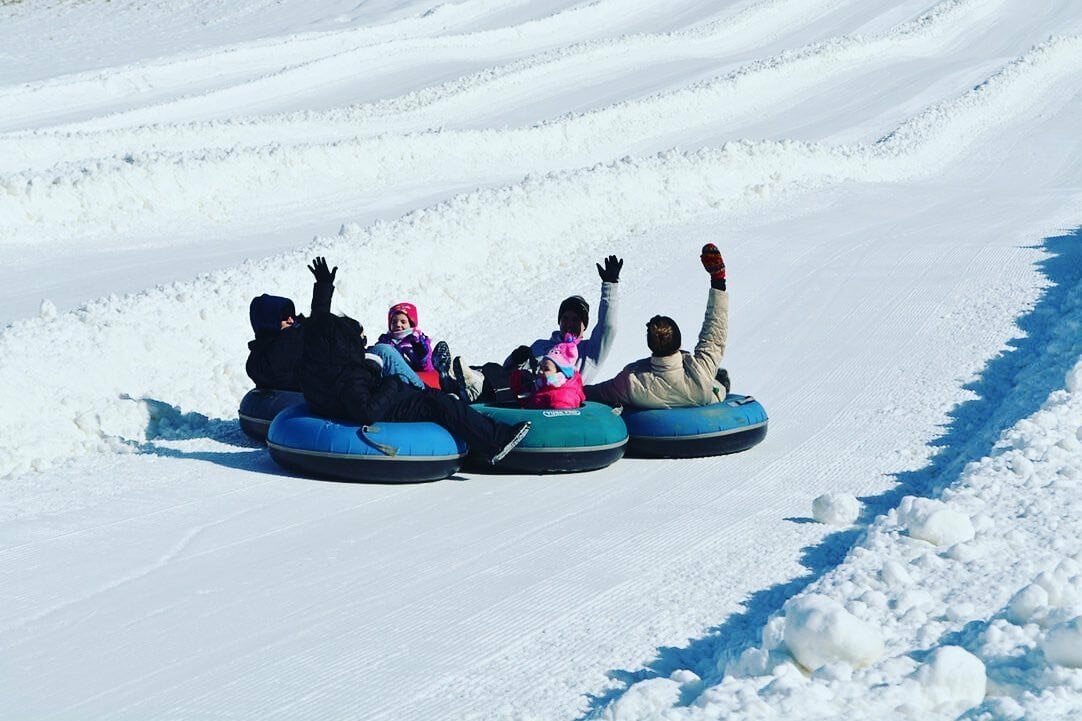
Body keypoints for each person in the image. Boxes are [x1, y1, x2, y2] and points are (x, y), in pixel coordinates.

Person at [299, 311, 531, 465]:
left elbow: (317, 327)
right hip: (391, 410)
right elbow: (366, 411)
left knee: (440, 400)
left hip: (379, 400)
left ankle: (476, 421)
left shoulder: (319, 368)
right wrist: (392, 382)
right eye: (359, 339)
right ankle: (495, 439)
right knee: (440, 403)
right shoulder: (350, 373)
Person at [451, 254, 623, 402]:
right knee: (493, 368)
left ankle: (472, 385)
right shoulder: (541, 346)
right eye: (565, 318)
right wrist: (515, 359)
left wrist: (610, 286)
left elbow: (608, 328)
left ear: (584, 325)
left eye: (576, 319)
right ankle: (454, 381)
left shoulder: (588, 353)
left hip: (551, 400)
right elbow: (509, 371)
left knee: (500, 377)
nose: (569, 324)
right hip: (523, 394)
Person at [584, 244, 729, 409]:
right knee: (716, 382)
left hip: (646, 408)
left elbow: (597, 393)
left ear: (650, 344)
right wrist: (718, 280)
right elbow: (714, 334)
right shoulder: (700, 373)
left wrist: (565, 391)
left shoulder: (632, 382)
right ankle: (720, 385)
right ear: (679, 343)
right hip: (702, 394)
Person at [245, 257, 336, 391]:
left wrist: (323, 287)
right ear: (269, 322)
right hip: (302, 404)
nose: (291, 320)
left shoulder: (257, 356)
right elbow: (317, 326)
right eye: (284, 316)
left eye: (291, 314)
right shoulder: (284, 346)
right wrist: (323, 288)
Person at [510, 335, 585, 410]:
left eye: (546, 369)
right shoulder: (543, 386)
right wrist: (517, 380)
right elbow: (528, 402)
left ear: (560, 373)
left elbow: (560, 418)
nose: (540, 371)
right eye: (541, 367)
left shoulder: (563, 396)